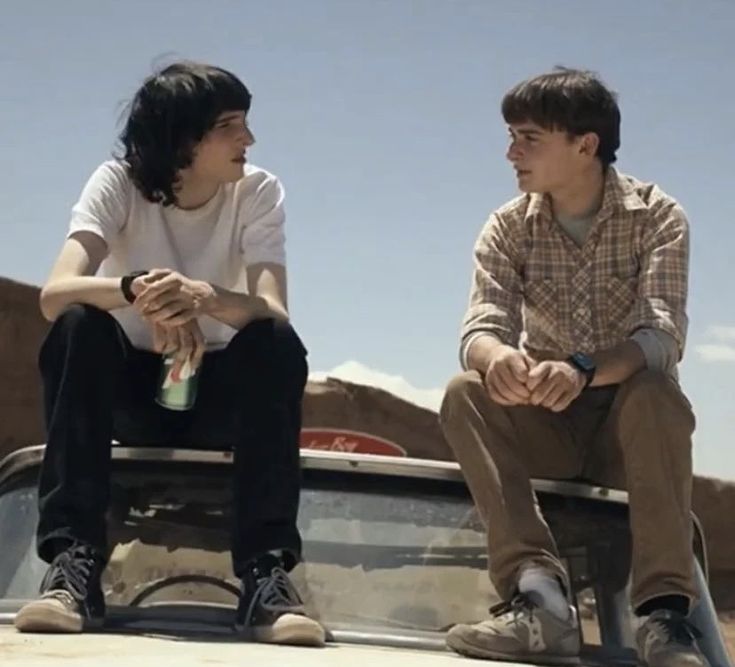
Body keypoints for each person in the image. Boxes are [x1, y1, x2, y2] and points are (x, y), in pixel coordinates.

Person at [14, 61, 324, 647]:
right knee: (79, 324)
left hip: (219, 393)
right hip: (126, 390)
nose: (249, 141)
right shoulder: (117, 183)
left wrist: (201, 298)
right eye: (231, 126)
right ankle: (73, 568)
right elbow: (56, 293)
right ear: (184, 137)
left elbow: (272, 308)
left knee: (275, 344)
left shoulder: (258, 191)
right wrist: (139, 290)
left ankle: (266, 574)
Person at [440, 67, 708, 667]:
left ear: (585, 145)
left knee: (656, 393)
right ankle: (539, 600)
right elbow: (480, 325)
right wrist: (499, 357)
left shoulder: (658, 216)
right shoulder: (508, 226)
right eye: (511, 136)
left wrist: (583, 367)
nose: (511, 152)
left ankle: (662, 615)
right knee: (466, 390)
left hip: (629, 431)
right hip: (545, 423)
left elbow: (662, 334)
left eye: (528, 137)